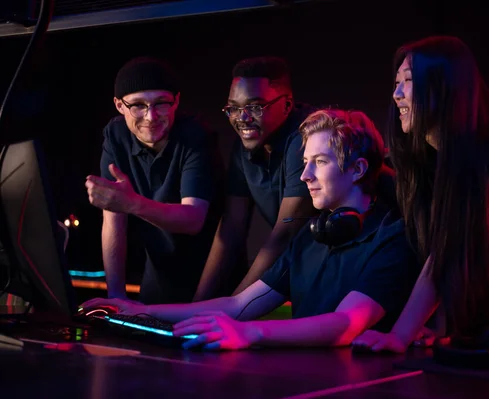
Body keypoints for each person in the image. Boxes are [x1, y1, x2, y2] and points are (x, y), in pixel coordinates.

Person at [82, 109, 420, 351]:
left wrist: (252, 333)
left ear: (358, 168)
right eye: (305, 163)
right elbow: (238, 306)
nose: (305, 177)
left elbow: (345, 325)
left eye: (319, 162)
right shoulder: (311, 236)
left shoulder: (390, 239)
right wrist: (138, 310)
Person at [352, 36, 489, 353]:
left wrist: (399, 335)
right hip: (470, 331)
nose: (396, 95)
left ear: (444, 86)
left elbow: (451, 245)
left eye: (408, 82)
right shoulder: (420, 161)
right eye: (397, 83)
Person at [85, 56, 224, 304]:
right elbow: (113, 221)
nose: (150, 116)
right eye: (138, 105)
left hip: (210, 279)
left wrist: (131, 203)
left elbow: (193, 219)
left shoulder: (196, 135)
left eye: (161, 103)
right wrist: (115, 296)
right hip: (157, 276)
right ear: (119, 105)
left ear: (176, 101)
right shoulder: (116, 135)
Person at [192, 56, 317, 301]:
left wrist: (233, 304)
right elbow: (231, 228)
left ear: (287, 104)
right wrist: (199, 302)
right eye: (234, 108)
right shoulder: (247, 145)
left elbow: (283, 235)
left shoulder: (307, 137)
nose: (242, 118)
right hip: (300, 269)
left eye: (255, 107)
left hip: (345, 269)